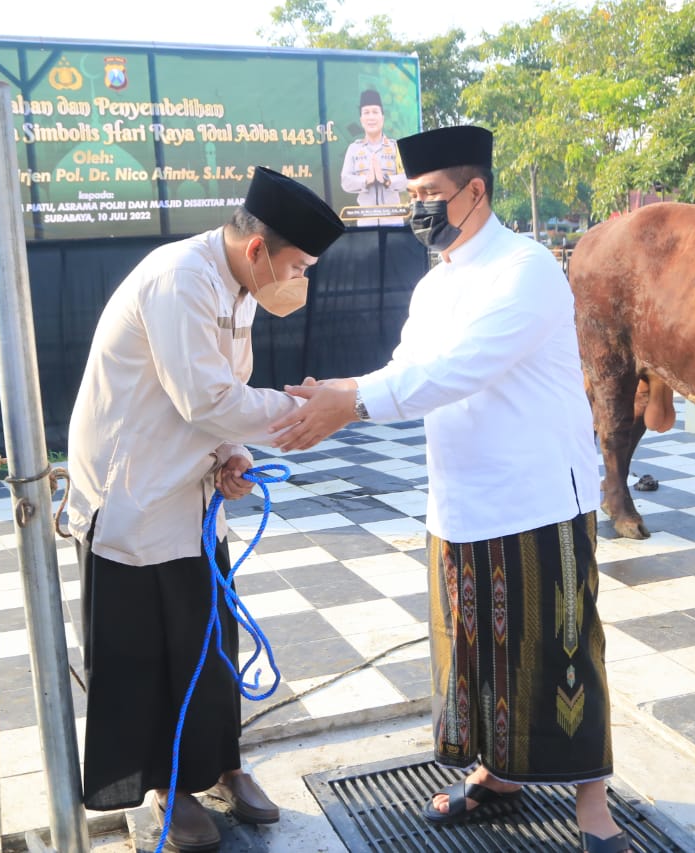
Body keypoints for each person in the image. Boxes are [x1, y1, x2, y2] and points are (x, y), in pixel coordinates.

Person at [268, 125, 630, 853]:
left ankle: (595, 808)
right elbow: (405, 365)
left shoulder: (525, 270)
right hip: (461, 498)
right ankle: (499, 776)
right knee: (478, 650)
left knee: (563, 650)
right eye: (411, 198)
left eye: (431, 195)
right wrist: (331, 392)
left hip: (537, 500)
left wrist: (353, 402)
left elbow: (455, 371)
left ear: (476, 192)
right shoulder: (435, 284)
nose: (419, 210)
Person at [66, 166, 345, 852]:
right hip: (133, 493)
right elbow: (208, 398)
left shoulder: (239, 286)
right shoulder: (180, 279)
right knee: (146, 653)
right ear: (258, 251)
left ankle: (222, 766)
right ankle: (168, 786)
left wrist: (231, 456)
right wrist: (306, 412)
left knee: (211, 641)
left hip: (190, 490)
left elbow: (222, 392)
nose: (298, 278)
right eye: (297, 265)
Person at [339, 89, 406, 226]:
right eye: (366, 113)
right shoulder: (354, 149)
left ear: (382, 117)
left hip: (394, 221)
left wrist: (387, 180)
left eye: (375, 112)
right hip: (366, 222)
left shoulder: (396, 147)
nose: (371, 117)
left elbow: (408, 179)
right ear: (361, 120)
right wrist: (366, 180)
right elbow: (345, 181)